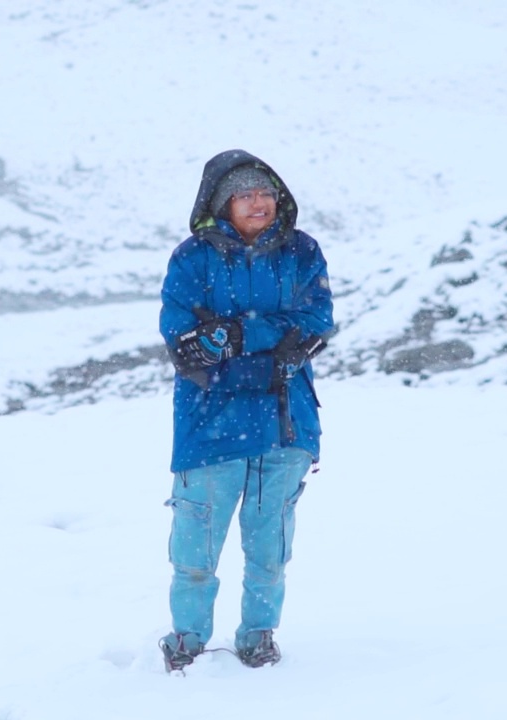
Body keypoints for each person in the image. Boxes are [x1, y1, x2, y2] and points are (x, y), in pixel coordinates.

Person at [157, 149, 334, 672]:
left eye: (265, 192)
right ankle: (187, 640)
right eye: (245, 194)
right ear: (222, 202)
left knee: (270, 545)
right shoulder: (192, 259)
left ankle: (258, 637)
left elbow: (316, 321)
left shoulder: (302, 252)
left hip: (285, 423)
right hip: (210, 423)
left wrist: (237, 334)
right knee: (196, 545)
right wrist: (265, 358)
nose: (259, 202)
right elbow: (183, 344)